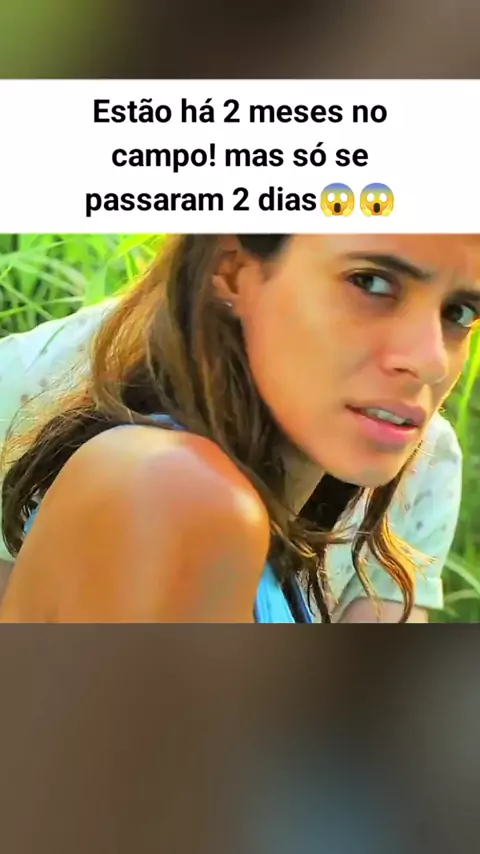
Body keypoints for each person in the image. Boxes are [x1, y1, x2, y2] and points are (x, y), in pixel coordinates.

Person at [0, 233, 473, 623]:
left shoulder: (221, 505)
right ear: (231, 270)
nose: (431, 360)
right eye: (370, 283)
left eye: (460, 313)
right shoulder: (178, 492)